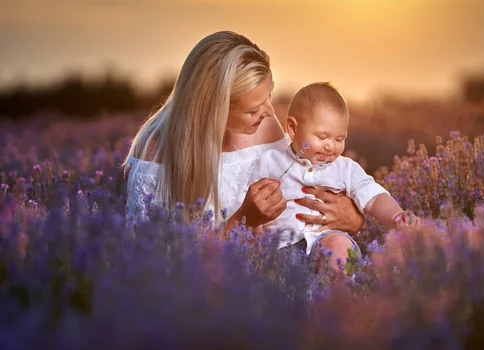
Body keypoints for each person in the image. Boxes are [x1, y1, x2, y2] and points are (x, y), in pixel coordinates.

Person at [123, 31, 364, 241]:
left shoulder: (265, 125)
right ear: (214, 111)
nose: (269, 112)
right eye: (253, 110)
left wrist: (353, 218)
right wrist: (244, 221)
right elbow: (158, 267)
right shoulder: (155, 154)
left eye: (269, 96)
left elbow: (303, 184)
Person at [248, 82, 418, 270]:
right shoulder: (271, 162)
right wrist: (257, 235)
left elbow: (374, 196)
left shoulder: (345, 168)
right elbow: (253, 203)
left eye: (340, 139)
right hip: (281, 246)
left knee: (339, 246)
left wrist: (395, 215)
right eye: (322, 137)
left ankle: (340, 294)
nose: (331, 146)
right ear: (292, 128)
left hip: (324, 241)